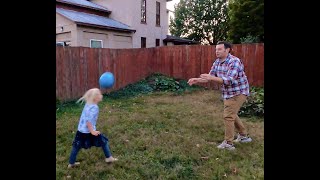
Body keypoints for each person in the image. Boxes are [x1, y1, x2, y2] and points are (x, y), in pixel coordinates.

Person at [188, 41, 252, 150]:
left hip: (239, 91)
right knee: (232, 114)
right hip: (228, 93)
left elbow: (229, 80)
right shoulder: (217, 62)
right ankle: (243, 136)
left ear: (227, 50)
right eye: (216, 49)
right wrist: (197, 80)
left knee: (228, 115)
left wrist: (211, 78)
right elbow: (210, 76)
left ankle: (228, 143)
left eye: (219, 49)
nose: (217, 51)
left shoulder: (234, 61)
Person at [68, 88, 118, 168]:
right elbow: (89, 121)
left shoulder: (88, 104)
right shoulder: (94, 108)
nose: (101, 95)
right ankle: (109, 158)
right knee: (103, 142)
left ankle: (71, 163)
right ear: (95, 97)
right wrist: (92, 131)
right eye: (99, 94)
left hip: (80, 130)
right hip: (89, 131)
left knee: (76, 146)